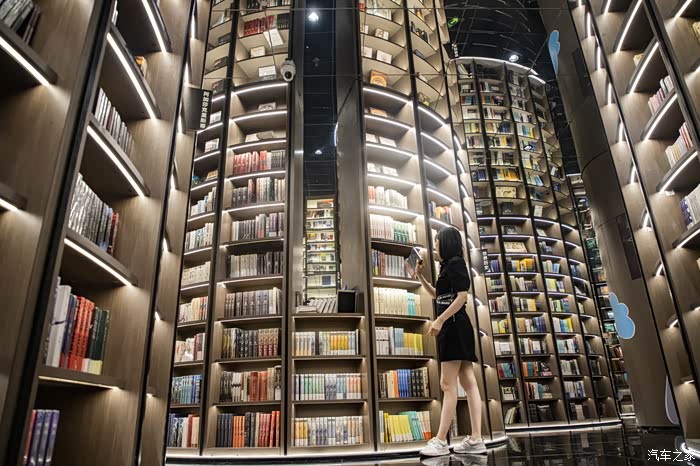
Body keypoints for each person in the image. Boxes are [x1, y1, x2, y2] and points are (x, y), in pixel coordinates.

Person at [415, 226, 486, 456]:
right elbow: (439, 296)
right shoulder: (448, 266)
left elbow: (462, 297)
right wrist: (420, 276)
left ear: (445, 243)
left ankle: (440, 441)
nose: (435, 246)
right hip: (456, 326)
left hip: (454, 326)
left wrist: (439, 320)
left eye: (437, 242)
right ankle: (476, 439)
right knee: (468, 382)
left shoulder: (456, 264)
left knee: (447, 384)